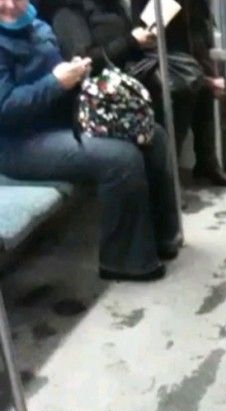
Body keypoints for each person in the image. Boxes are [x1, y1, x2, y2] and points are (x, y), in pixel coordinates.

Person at [0, 0, 181, 281]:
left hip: (63, 122)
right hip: (20, 145)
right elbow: (6, 109)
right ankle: (123, 260)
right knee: (120, 159)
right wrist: (55, 83)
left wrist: (77, 72)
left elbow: (61, 77)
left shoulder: (37, 28)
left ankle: (164, 237)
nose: (10, 5)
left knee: (152, 135)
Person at [128, 0, 226, 186]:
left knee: (204, 94)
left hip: (193, 32)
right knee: (181, 94)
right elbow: (144, 21)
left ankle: (207, 161)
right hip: (164, 40)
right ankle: (171, 174)